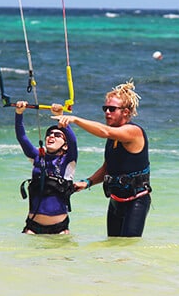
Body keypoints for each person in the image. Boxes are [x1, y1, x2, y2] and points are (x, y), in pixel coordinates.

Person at [52, 80, 151, 237]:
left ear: (125, 112)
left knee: (127, 248)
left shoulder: (133, 132)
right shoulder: (114, 135)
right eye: (105, 108)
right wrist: (88, 182)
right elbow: (108, 167)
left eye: (112, 109)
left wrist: (75, 119)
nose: (107, 112)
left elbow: (104, 131)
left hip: (136, 201)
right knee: (112, 246)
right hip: (116, 200)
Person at [15, 101, 77, 234]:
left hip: (59, 229)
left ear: (65, 146)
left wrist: (60, 116)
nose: (51, 136)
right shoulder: (37, 157)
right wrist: (19, 113)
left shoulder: (68, 160)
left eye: (57, 135)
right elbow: (22, 137)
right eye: (49, 134)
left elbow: (73, 141)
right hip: (32, 227)